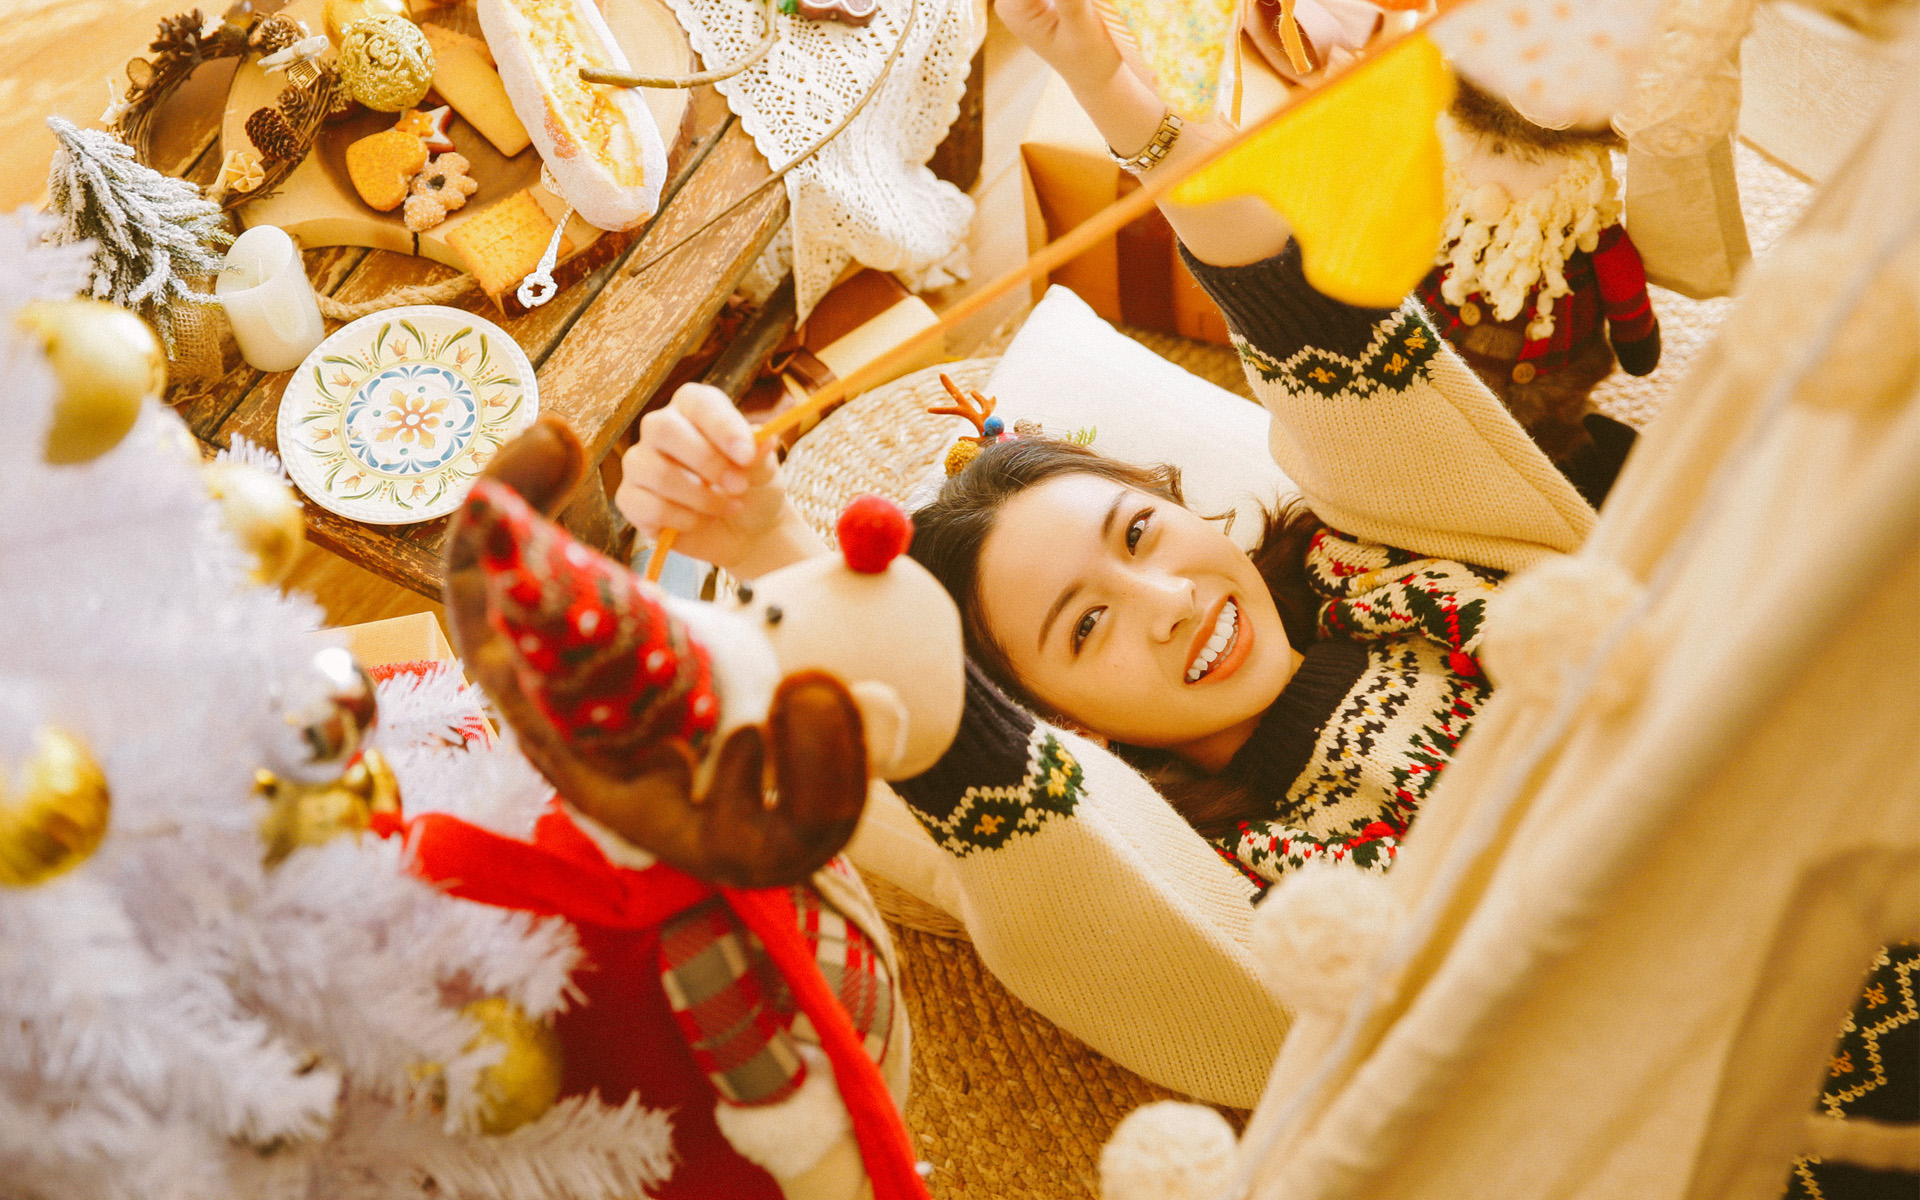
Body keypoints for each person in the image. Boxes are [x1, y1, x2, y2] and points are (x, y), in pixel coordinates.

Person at [615, 0, 1602, 888]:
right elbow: (964, 766)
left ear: (1186, 506)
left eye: (1141, 534)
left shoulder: (1376, 560)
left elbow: (1321, 339)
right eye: (1083, 629)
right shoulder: (1214, 874)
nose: (1172, 603)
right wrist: (764, 546)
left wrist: (1103, 81)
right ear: (1068, 726)